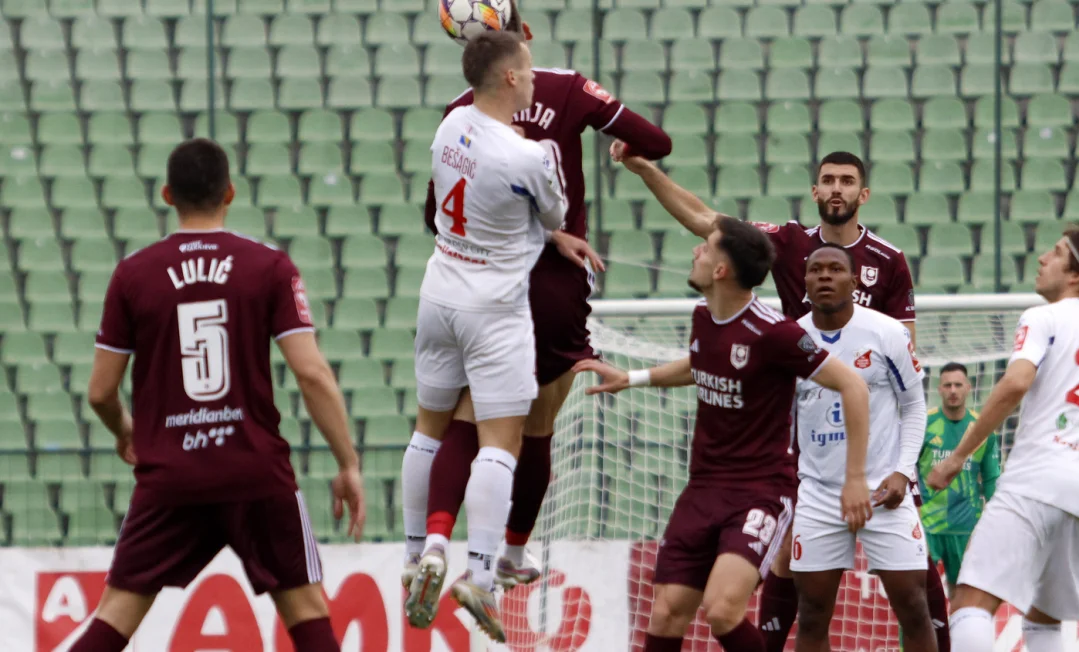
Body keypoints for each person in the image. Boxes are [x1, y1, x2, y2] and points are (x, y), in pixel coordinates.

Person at [611, 147, 950, 651]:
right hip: (802, 430)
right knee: (789, 569)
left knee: (914, 584)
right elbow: (707, 222)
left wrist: (898, 459)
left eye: (847, 181)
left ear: (864, 193)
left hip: (874, 441)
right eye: (828, 180)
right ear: (815, 192)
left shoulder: (889, 261)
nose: (837, 188)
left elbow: (906, 366)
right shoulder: (789, 244)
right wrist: (645, 170)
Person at [403, 8, 673, 594]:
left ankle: (429, 544)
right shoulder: (569, 89)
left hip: (466, 286)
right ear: (523, 36)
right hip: (551, 289)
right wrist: (625, 150)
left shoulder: (458, 115)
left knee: (462, 422)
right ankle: (506, 558)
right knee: (537, 428)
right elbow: (658, 140)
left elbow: (433, 215)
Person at [68, 139, 365, 652]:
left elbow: (99, 391)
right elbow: (311, 374)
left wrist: (125, 431)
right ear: (230, 192)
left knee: (114, 617)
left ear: (167, 195)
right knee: (308, 612)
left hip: (171, 478)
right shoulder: (268, 266)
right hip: (253, 470)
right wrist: (348, 463)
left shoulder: (133, 275)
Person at [574, 217, 874, 652]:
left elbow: (854, 385)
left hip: (761, 490)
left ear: (721, 271)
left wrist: (855, 478)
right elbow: (700, 364)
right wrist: (633, 377)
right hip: (703, 488)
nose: (696, 252)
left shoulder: (775, 332)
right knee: (666, 610)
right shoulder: (704, 318)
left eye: (706, 248)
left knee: (721, 609)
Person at [401, 30, 568, 644]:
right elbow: (555, 215)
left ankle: (418, 554)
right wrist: (539, 149)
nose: (532, 78)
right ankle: (480, 575)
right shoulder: (529, 155)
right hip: (494, 307)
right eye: (526, 70)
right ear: (506, 78)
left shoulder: (450, 127)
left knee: (430, 428)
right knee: (501, 443)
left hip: (439, 290)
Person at [927, 229, 1079, 652]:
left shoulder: (1044, 317)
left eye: (1057, 252)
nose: (1042, 258)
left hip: (1038, 479)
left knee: (970, 602)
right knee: (1045, 621)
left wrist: (959, 456)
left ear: (1078, 275)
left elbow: (1015, 384)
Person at [792, 245, 936, 652]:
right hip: (820, 494)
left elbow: (913, 405)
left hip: (884, 492)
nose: (824, 276)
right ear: (804, 282)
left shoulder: (887, 333)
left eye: (835, 269)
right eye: (815, 269)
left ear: (853, 282)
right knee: (813, 614)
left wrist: (903, 472)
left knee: (913, 607)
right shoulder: (793, 339)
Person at [917, 363, 1002, 593]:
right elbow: (906, 473)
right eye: (947, 385)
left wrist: (994, 523)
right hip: (927, 526)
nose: (953, 390)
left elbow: (992, 479)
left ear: (968, 388)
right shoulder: (923, 425)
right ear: (939, 389)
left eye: (957, 385)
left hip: (966, 527)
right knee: (919, 596)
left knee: (963, 597)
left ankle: (960, 631)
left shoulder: (983, 430)